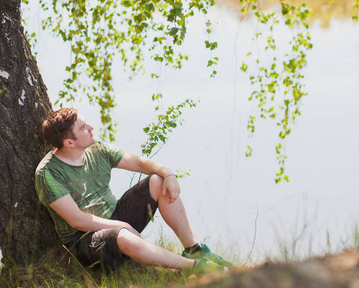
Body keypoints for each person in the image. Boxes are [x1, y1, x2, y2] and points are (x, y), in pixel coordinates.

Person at [34, 107, 232, 273]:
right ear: (69, 143)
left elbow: (139, 163)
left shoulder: (97, 150)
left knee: (157, 181)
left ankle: (193, 250)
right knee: (124, 237)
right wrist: (122, 226)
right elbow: (76, 219)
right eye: (84, 128)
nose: (91, 127)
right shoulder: (48, 173)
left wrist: (168, 174)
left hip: (114, 218)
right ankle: (195, 267)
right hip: (84, 239)